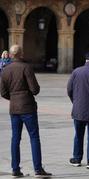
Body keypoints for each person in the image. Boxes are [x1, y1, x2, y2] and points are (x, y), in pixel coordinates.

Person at [0, 45, 52, 178]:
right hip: (28, 107)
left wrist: (13, 97)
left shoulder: (5, 70)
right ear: (21, 54)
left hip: (14, 108)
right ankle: (38, 169)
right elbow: (35, 89)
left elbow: (3, 92)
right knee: (34, 137)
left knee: (15, 139)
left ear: (10, 55)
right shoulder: (26, 67)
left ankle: (15, 169)